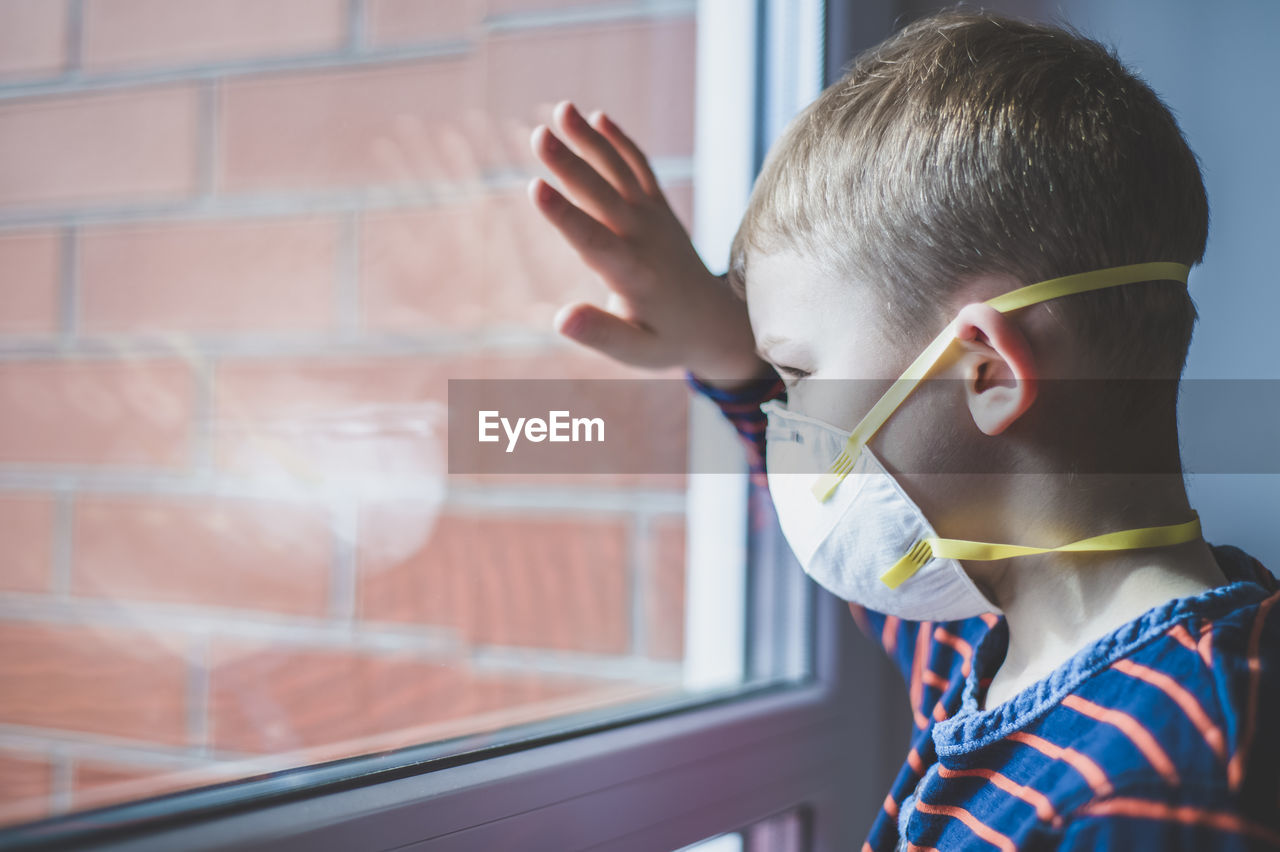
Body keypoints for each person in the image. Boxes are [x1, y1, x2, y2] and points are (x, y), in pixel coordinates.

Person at [526, 10, 1279, 850]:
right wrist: (727, 351)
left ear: (988, 371)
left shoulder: (1154, 791)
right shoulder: (1016, 653)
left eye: (799, 376)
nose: (788, 422)